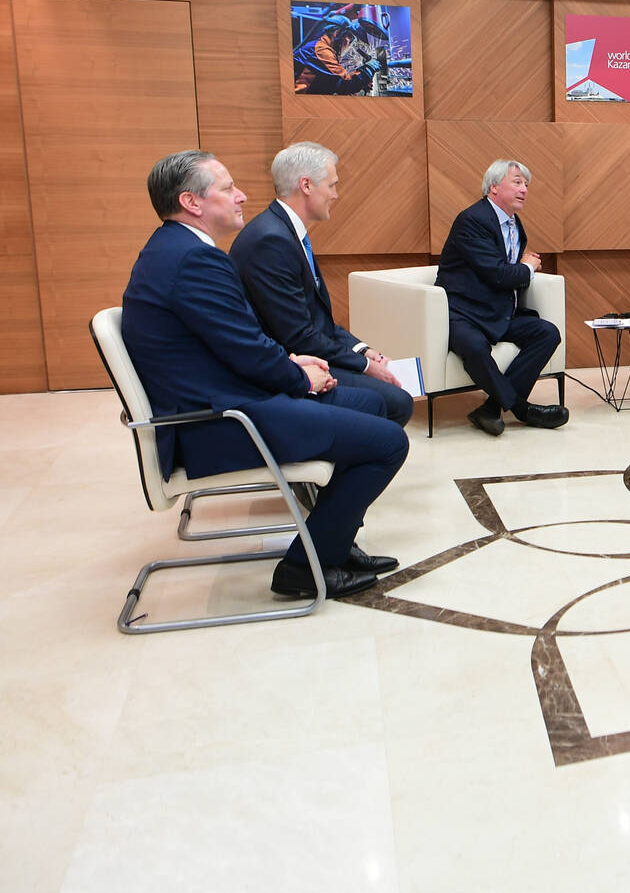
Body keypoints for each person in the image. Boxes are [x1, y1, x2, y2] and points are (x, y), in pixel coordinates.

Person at [120, 151, 409, 599]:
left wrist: (293, 363)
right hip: (217, 423)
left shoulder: (175, 250)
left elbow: (237, 342)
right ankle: (304, 568)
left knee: (372, 403)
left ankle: (333, 538)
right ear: (192, 202)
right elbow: (247, 352)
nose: (242, 196)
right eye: (228, 188)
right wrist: (302, 379)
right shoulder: (193, 260)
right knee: (389, 443)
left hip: (224, 399)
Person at [231, 141, 414, 428]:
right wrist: (367, 367)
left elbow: (318, 321)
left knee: (394, 396)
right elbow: (300, 336)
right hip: (288, 367)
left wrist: (363, 351)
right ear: (306, 185)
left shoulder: (284, 232)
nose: (335, 195)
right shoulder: (271, 241)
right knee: (397, 402)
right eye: (332, 185)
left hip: (306, 353)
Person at [436, 159, 567, 436]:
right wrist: (527, 267)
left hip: (497, 310)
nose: (524, 190)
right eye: (517, 182)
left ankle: (490, 409)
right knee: (474, 347)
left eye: (526, 185)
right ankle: (522, 409)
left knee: (547, 333)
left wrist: (522, 268)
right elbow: (497, 273)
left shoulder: (514, 223)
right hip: (463, 312)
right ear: (494, 187)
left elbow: (504, 272)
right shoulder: (472, 220)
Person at [292, 20, 375, 95]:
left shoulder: (323, 48)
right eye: (349, 37)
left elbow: (334, 79)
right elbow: (346, 84)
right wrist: (369, 68)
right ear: (337, 33)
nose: (349, 43)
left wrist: (362, 82)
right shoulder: (322, 51)